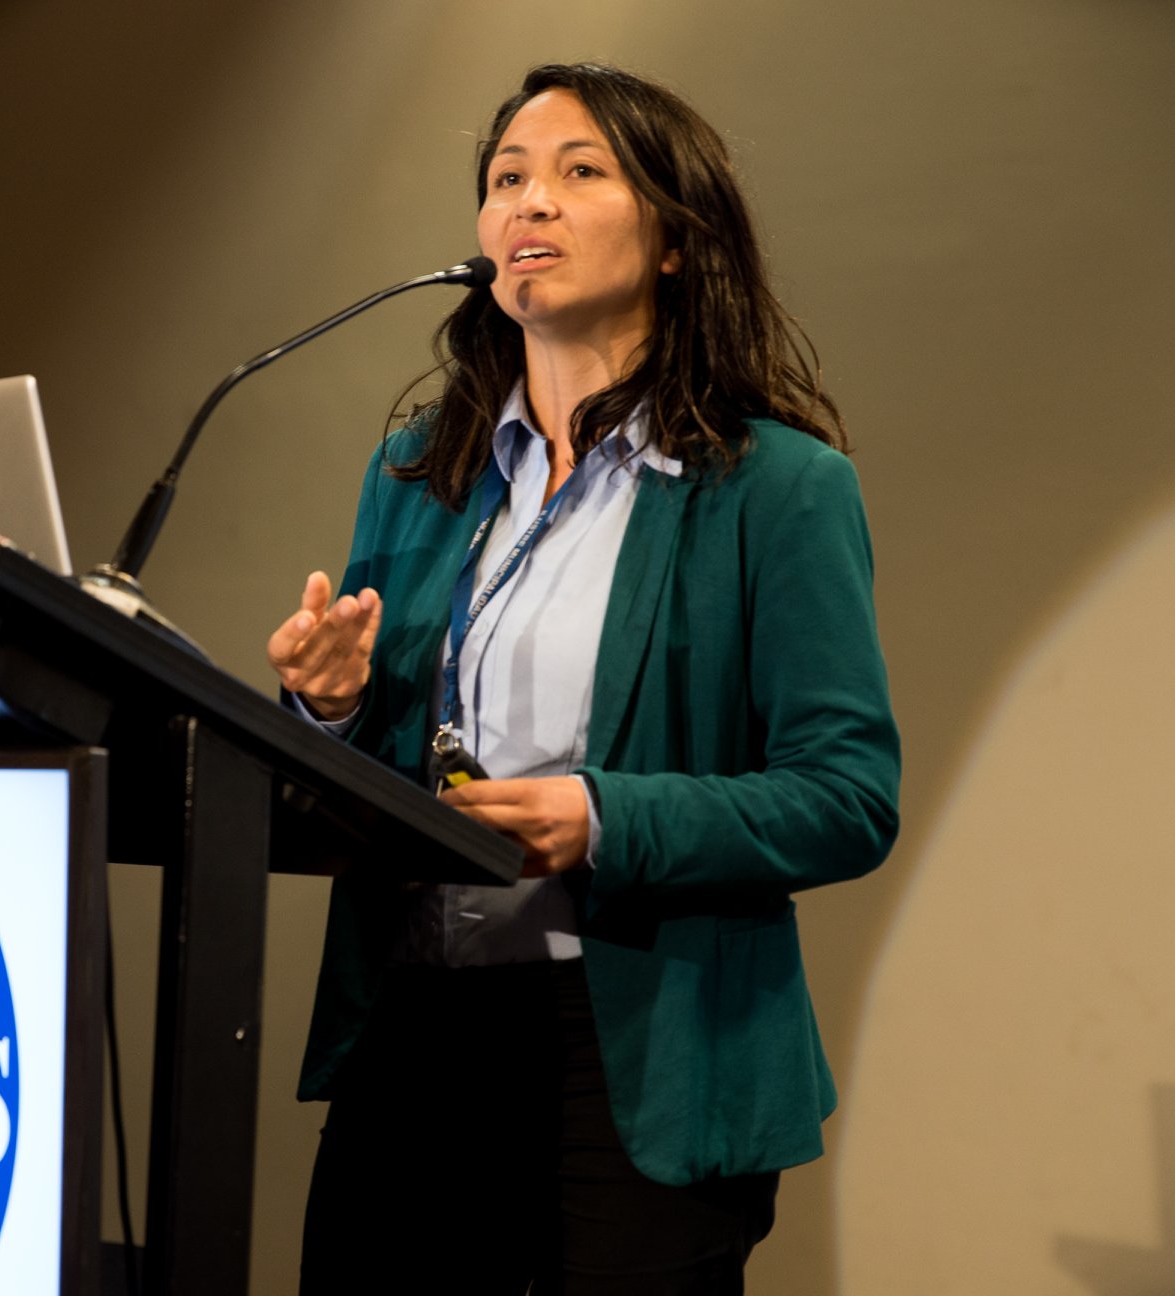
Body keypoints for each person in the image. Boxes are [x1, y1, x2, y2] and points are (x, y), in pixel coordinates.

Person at [266, 62, 899, 1295]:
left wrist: (602, 819)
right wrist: (329, 709)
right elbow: (386, 772)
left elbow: (846, 797)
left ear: (676, 239)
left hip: (639, 1047)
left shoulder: (778, 490)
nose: (531, 202)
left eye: (579, 172)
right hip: (417, 1024)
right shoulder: (419, 475)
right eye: (507, 178)